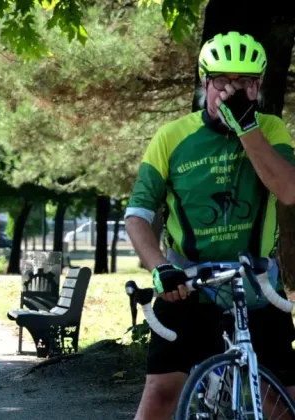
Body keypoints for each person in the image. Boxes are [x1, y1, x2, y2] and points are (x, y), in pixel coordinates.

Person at [125, 31, 295, 419]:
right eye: (223, 81)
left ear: (259, 86)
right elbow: (138, 216)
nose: (232, 91)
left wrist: (246, 127)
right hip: (187, 286)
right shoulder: (171, 137)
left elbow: (287, 191)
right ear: (204, 83)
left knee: (282, 404)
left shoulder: (270, 129)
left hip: (256, 286)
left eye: (246, 83)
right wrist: (159, 269)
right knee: (161, 394)